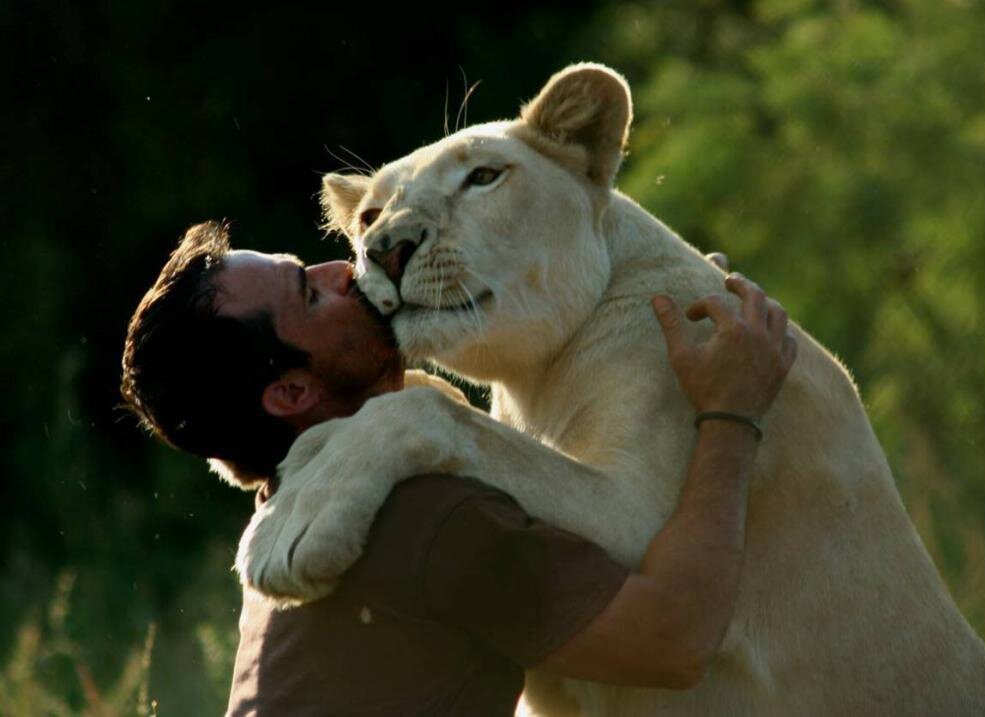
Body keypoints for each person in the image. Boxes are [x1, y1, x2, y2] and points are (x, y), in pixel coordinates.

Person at [120, 221, 797, 715]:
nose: (345, 270)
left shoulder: (290, 514)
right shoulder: (419, 518)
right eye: (311, 293)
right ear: (292, 394)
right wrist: (732, 413)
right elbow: (673, 639)